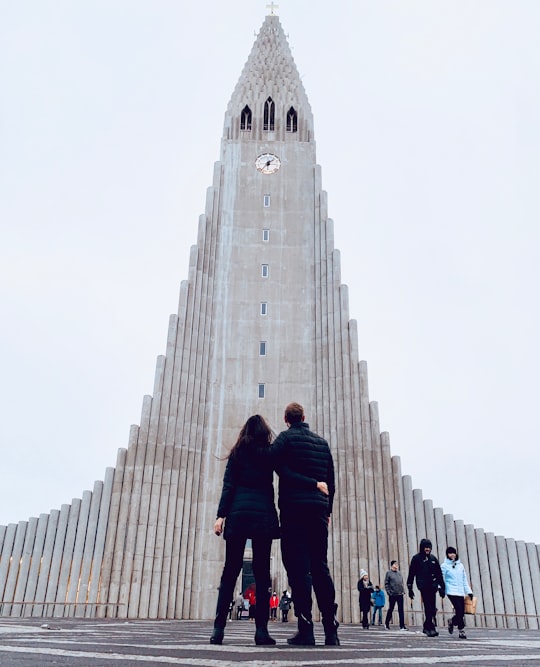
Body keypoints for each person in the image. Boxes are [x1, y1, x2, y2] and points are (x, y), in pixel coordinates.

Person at [270, 402, 340, 646]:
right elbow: (331, 480)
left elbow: (273, 464)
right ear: (305, 417)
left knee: (298, 570)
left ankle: (306, 629)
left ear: (286, 419)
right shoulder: (322, 443)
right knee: (320, 567)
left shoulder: (285, 440)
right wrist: (328, 509)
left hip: (293, 512)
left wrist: (308, 483)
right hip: (318, 512)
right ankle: (331, 630)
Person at [210, 415, 280, 646]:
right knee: (262, 575)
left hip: (238, 516)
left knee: (230, 571)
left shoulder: (237, 453)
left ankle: (218, 629)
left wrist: (221, 516)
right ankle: (261, 631)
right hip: (262, 518)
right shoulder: (268, 454)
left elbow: (228, 485)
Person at [406, 538, 445, 637]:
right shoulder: (416, 558)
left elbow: (439, 574)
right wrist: (410, 588)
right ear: (422, 547)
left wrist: (442, 587)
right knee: (427, 606)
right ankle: (429, 627)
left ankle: (428, 626)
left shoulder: (433, 559)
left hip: (433, 586)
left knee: (432, 608)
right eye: (425, 547)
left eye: (429, 547)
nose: (427, 549)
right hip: (423, 586)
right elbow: (411, 573)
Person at [441, 546, 473, 640]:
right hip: (451, 591)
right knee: (459, 610)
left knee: (461, 612)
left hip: (460, 592)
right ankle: (461, 631)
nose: (452, 555)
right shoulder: (444, 566)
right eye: (450, 553)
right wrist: (441, 589)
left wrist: (469, 592)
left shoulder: (460, 565)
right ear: (447, 554)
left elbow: (464, 579)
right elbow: (441, 578)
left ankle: (452, 621)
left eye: (453, 553)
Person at [384, 560, 407, 630]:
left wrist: (403, 591)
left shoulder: (399, 573)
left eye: (397, 564)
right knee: (391, 609)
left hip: (400, 593)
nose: (397, 565)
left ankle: (402, 626)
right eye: (395, 564)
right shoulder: (388, 573)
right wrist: (389, 592)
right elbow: (386, 583)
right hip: (393, 594)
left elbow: (401, 582)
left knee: (401, 610)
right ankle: (386, 623)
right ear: (392, 565)